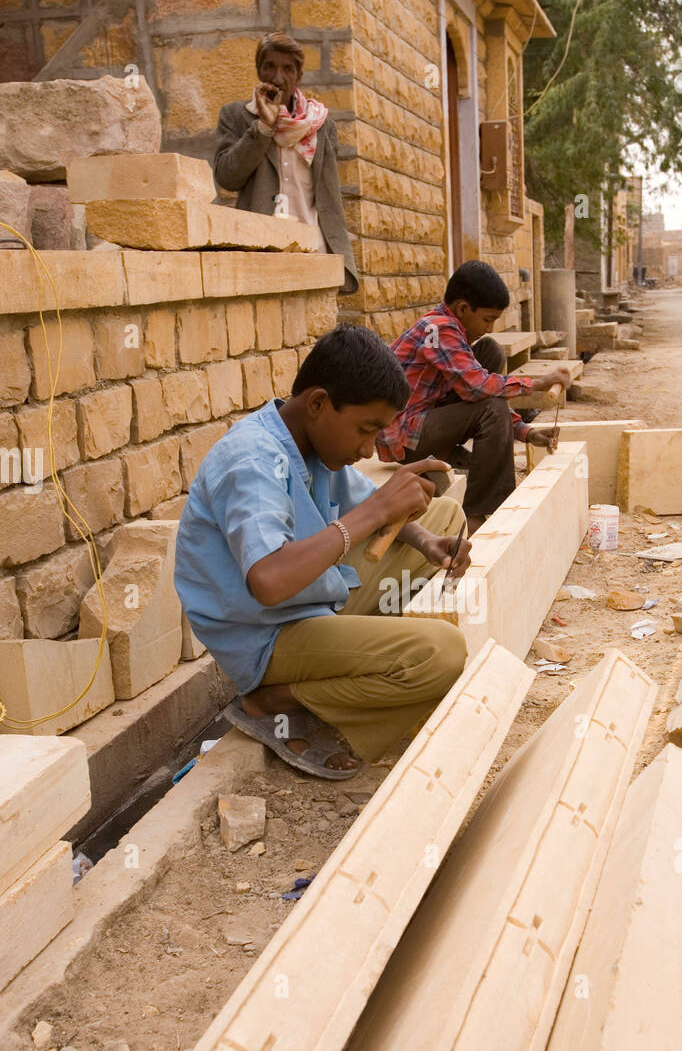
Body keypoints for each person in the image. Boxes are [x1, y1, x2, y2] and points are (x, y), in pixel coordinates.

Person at [174, 326, 470, 780]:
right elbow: (269, 582)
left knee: (442, 515)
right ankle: (275, 699)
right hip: (267, 637)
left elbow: (362, 502)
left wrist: (427, 542)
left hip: (313, 602)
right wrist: (372, 513)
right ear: (317, 403)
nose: (368, 449)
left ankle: (355, 664)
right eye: (366, 430)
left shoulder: (309, 442)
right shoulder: (253, 460)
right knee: (441, 654)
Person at [379, 261, 573, 535]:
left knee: (491, 351)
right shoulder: (439, 329)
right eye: (487, 319)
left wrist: (525, 433)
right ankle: (477, 514)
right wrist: (539, 383)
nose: (491, 326)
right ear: (462, 309)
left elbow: (475, 386)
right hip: (404, 437)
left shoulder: (452, 328)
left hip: (425, 420)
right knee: (490, 405)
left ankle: (460, 467)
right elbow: (477, 390)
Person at [213, 31, 358, 295]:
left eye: (287, 69)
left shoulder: (321, 124)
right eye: (269, 67)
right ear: (259, 71)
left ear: (298, 75)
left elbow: (329, 195)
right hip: (261, 252)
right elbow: (227, 177)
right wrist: (263, 127)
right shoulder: (236, 116)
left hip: (314, 249)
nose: (278, 78)